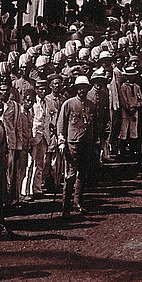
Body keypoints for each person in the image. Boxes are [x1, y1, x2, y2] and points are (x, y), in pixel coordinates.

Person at [58, 75, 94, 218]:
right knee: (70, 175)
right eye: (80, 88)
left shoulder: (91, 105)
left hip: (87, 143)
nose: (82, 91)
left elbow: (94, 125)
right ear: (76, 89)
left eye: (84, 88)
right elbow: (61, 124)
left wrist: (95, 141)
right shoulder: (68, 104)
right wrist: (61, 141)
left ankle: (78, 202)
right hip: (72, 144)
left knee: (83, 173)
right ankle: (65, 207)